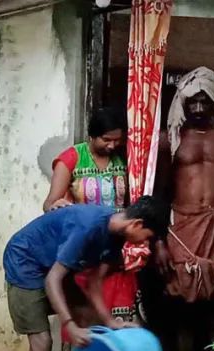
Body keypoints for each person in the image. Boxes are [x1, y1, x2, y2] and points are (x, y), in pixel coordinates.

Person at [4, 197, 170, 351]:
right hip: (25, 262)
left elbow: (94, 283)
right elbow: (53, 280)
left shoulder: (116, 237)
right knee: (41, 342)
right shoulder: (87, 226)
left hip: (52, 264)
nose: (145, 244)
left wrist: (111, 322)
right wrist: (69, 325)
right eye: (148, 239)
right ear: (137, 225)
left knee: (90, 319)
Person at [43, 107, 147, 327]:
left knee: (122, 321)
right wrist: (57, 206)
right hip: (83, 251)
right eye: (106, 140)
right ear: (92, 136)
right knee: (86, 323)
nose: (112, 145)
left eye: (117, 140)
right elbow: (49, 203)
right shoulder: (71, 159)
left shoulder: (125, 158)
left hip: (114, 252)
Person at [155, 66, 214, 351]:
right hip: (182, 227)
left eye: (203, 101)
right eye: (191, 102)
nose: (197, 108)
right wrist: (159, 240)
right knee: (183, 308)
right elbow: (159, 192)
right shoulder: (172, 139)